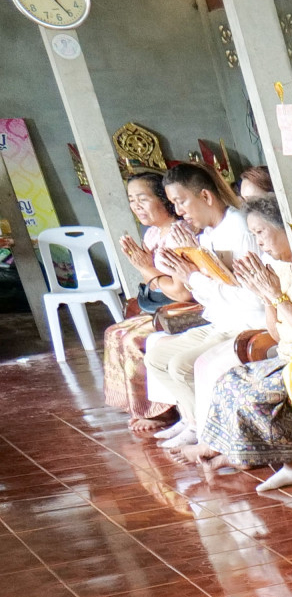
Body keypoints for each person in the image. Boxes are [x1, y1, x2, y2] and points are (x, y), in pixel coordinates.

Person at [190, 197, 292, 491]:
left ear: (285, 229)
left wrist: (277, 296)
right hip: (289, 354)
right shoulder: (285, 267)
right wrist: (266, 295)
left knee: (254, 395)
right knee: (230, 380)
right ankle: (238, 453)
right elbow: (277, 336)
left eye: (261, 232)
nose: (258, 242)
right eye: (254, 235)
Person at [145, 163, 268, 445]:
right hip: (222, 321)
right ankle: (193, 422)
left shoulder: (239, 229)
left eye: (181, 201)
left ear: (205, 196)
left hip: (246, 323)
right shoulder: (208, 234)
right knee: (156, 357)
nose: (178, 212)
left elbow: (252, 299)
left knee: (181, 365)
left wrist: (193, 276)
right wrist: (184, 270)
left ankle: (208, 434)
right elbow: (206, 292)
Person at [102, 173, 187, 422]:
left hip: (181, 306)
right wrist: (145, 268)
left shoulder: (178, 233)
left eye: (143, 198)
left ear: (164, 200)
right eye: (131, 200)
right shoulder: (152, 234)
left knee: (132, 339)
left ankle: (158, 410)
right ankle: (135, 405)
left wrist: (145, 268)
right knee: (114, 332)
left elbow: (181, 291)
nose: (136, 206)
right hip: (161, 305)